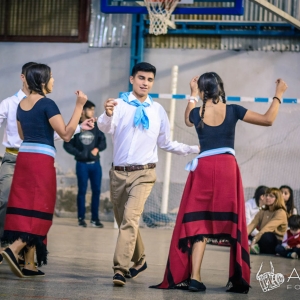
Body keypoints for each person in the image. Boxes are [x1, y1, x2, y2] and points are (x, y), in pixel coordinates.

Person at [152, 73, 288, 294]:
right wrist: (278, 95)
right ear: (221, 89)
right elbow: (268, 120)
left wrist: (193, 94)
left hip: (203, 169)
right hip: (226, 168)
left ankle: (194, 277)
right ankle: (237, 278)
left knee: (199, 224)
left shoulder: (196, 113)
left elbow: (187, 119)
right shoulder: (233, 110)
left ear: (203, 91)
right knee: (233, 224)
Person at [97, 62, 199, 286]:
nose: (145, 83)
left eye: (149, 79)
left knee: (130, 219)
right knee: (125, 221)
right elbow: (104, 127)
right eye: (141, 78)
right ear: (132, 79)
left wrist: (194, 149)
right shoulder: (119, 104)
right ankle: (140, 260)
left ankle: (119, 269)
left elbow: (166, 143)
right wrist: (106, 113)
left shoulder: (158, 110)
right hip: (118, 174)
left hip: (144, 174)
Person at [0, 63, 91, 278]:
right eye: (51, 78)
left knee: (25, 208)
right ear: (42, 81)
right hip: (41, 161)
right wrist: (79, 106)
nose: (53, 81)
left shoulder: (21, 104)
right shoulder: (48, 104)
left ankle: (29, 263)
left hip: (24, 157)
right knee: (42, 210)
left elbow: (23, 136)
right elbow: (67, 135)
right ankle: (13, 250)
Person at [63, 100, 106, 228]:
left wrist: (97, 149)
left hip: (95, 165)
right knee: (82, 191)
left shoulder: (96, 126)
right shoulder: (76, 127)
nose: (92, 112)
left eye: (93, 109)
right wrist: (79, 153)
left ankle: (94, 219)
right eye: (90, 109)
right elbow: (67, 144)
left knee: (96, 191)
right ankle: (81, 218)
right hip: (81, 165)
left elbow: (103, 143)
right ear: (83, 111)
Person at [248, 187, 288, 255]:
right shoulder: (263, 211)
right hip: (262, 235)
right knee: (248, 235)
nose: (267, 197)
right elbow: (252, 225)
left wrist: (255, 239)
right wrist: (241, 237)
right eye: (266, 195)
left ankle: (257, 248)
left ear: (277, 199)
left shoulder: (281, 212)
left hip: (274, 240)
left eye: (271, 196)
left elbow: (267, 228)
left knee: (267, 236)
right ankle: (254, 247)